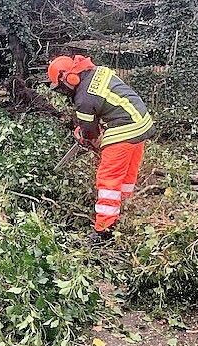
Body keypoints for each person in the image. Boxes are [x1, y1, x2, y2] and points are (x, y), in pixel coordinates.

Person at [47, 55, 155, 242]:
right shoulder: (98, 71)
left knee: (108, 180)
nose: (64, 92)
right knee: (127, 174)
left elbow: (90, 134)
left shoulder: (83, 99)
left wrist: (85, 135)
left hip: (125, 128)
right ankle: (125, 206)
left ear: (69, 78)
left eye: (62, 88)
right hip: (141, 121)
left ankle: (104, 229)